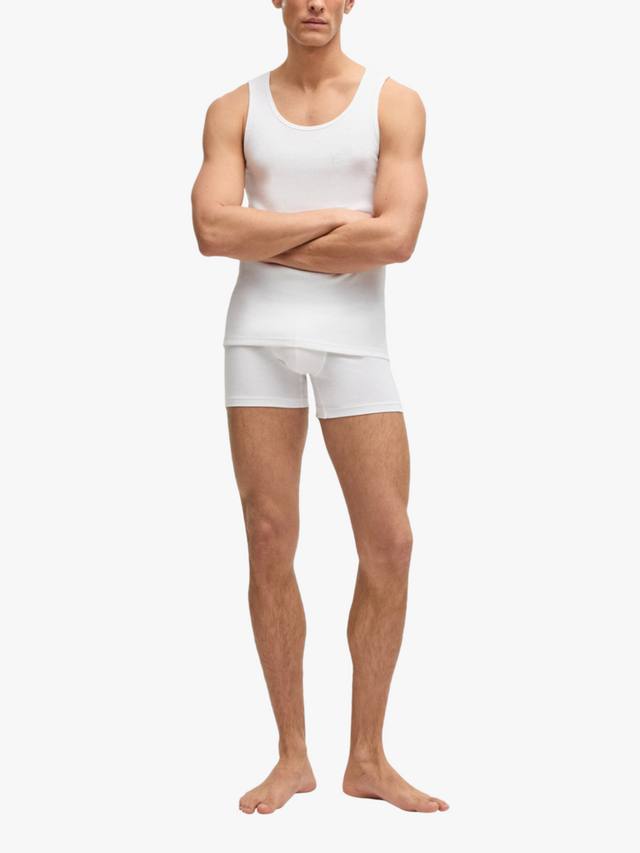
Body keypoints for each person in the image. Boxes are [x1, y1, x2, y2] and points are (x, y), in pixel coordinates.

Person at [191, 0, 449, 815]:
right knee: (269, 536)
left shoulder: (394, 102)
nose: (313, 3)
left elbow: (396, 239)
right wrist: (338, 221)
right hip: (256, 338)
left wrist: (264, 232)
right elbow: (210, 230)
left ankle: (367, 756)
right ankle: (292, 755)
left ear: (348, 2)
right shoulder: (232, 109)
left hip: (356, 342)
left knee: (391, 542)